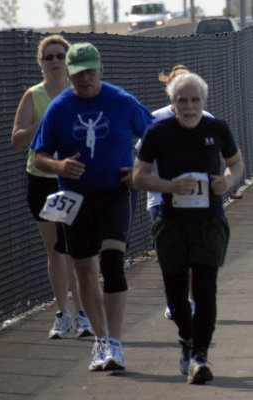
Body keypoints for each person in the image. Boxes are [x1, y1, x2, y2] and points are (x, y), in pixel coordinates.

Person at [30, 42, 153, 371]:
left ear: (101, 69)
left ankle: (115, 341)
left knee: (112, 261)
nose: (84, 78)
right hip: (76, 199)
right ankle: (101, 341)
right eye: (77, 72)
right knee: (84, 270)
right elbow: (39, 154)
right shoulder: (60, 107)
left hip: (115, 192)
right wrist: (58, 167)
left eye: (89, 71)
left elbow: (155, 136)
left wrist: (139, 169)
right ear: (68, 73)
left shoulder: (121, 101)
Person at [133, 72, 244, 384]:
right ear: (173, 103)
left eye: (195, 100)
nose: (189, 106)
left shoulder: (217, 128)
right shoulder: (158, 132)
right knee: (176, 293)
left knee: (206, 289)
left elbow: (236, 163)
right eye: (183, 100)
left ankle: (200, 356)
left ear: (203, 102)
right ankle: (187, 338)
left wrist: (228, 181)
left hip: (209, 221)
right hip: (171, 224)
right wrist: (169, 185)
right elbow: (139, 176)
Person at [11, 34, 93, 340]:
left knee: (78, 249)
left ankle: (85, 313)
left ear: (69, 61)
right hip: (42, 180)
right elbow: (17, 138)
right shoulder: (34, 96)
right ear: (41, 63)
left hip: (75, 179)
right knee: (56, 251)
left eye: (61, 56)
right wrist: (42, 124)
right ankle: (62, 314)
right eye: (50, 57)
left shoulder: (80, 93)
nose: (56, 62)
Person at [135, 65, 213, 320]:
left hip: (197, 199)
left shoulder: (208, 120)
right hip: (160, 198)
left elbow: (222, 157)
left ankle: (189, 299)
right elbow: (142, 156)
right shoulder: (155, 120)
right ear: (170, 91)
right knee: (170, 253)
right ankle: (175, 299)